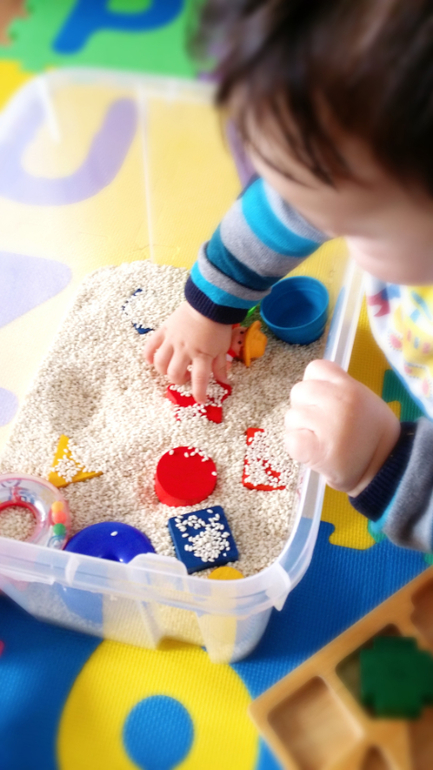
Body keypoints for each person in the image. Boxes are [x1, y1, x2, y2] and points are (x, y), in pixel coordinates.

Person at [144, 0, 433, 552]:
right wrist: (211, 302)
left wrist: (383, 462)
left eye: (356, 228)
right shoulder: (372, 164)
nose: (325, 228)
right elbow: (288, 208)